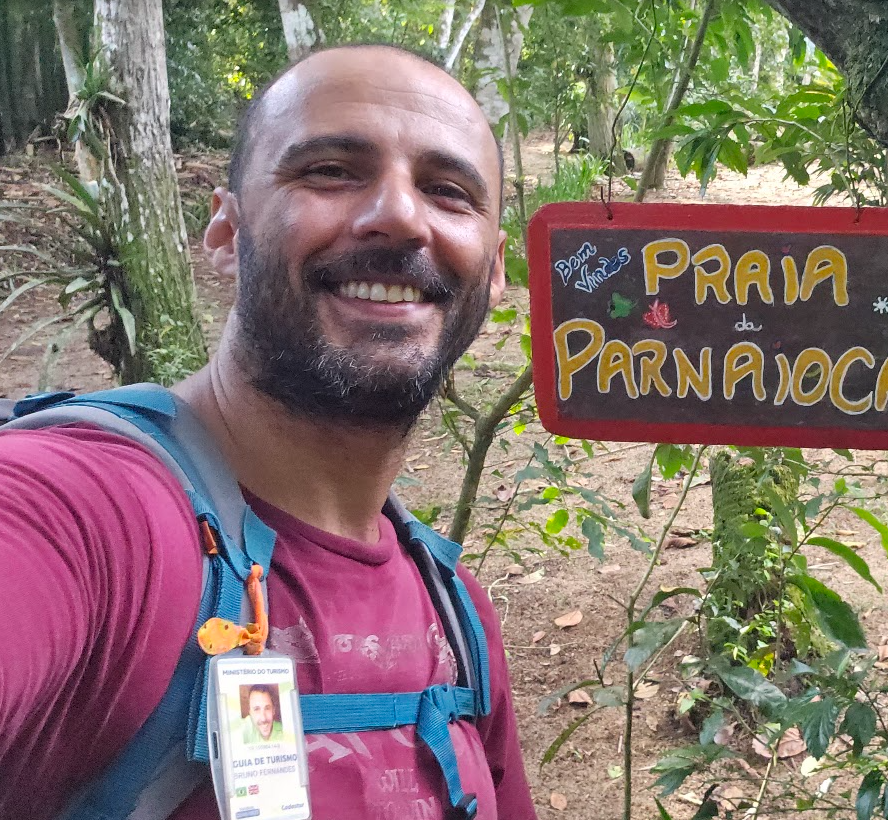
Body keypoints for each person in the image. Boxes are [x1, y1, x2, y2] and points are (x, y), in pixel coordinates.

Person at [0, 44, 536, 819]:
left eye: (448, 191)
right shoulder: (85, 514)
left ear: (490, 276)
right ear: (224, 232)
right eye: (329, 171)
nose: (398, 214)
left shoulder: (456, 618)